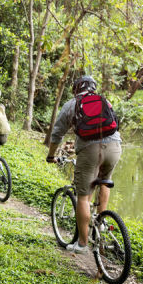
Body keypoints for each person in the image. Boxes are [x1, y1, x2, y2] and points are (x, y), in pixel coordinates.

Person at [46, 75, 122, 253]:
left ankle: (82, 243)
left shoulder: (71, 105)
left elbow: (57, 133)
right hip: (114, 147)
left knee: (83, 195)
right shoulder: (104, 101)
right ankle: (101, 222)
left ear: (75, 88)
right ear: (93, 87)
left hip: (90, 151)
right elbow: (115, 124)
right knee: (105, 180)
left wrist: (51, 155)